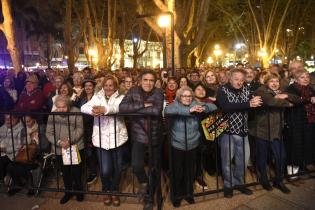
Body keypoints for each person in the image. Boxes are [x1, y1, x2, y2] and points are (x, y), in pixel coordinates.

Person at [119, 70, 164, 210]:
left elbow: (156, 111)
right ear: (140, 80)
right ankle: (144, 183)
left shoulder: (158, 92)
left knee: (154, 169)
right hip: (138, 135)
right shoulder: (133, 91)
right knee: (137, 165)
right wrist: (144, 105)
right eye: (146, 80)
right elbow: (122, 108)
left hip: (155, 135)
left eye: (151, 80)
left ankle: (150, 198)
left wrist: (135, 110)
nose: (148, 83)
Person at [165, 86, 217, 207]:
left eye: (189, 96)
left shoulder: (195, 103)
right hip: (178, 144)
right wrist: (189, 111)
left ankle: (188, 193)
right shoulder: (175, 105)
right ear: (179, 97)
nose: (187, 98)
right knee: (177, 171)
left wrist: (202, 107)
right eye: (184, 96)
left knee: (190, 171)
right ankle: (176, 195)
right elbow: (167, 111)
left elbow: (213, 107)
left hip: (193, 144)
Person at [81, 75, 128, 207]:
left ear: (115, 86)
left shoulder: (121, 97)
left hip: (117, 138)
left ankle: (114, 191)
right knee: (106, 169)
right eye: (106, 85)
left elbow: (119, 108)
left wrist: (105, 110)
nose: (108, 88)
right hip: (101, 139)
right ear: (103, 86)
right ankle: (106, 189)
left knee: (118, 168)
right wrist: (93, 111)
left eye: (111, 85)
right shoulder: (97, 96)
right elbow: (83, 107)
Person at [216, 69, 262, 198]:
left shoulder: (247, 90)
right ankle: (228, 185)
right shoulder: (222, 90)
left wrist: (256, 102)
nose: (239, 82)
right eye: (236, 79)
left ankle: (239, 183)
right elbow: (226, 106)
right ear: (230, 78)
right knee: (226, 161)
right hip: (228, 132)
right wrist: (248, 104)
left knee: (242, 161)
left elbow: (252, 107)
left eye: (242, 79)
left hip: (243, 131)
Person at [253, 73, 296, 193]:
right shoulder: (261, 91)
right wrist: (287, 103)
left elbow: (295, 98)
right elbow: (270, 102)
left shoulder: (281, 91)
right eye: (271, 81)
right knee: (263, 157)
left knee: (281, 156)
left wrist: (285, 95)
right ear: (266, 82)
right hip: (262, 131)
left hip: (277, 131)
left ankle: (278, 180)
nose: (274, 83)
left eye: (276, 81)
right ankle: (264, 180)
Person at [46, 95, 84, 204]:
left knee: (76, 171)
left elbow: (80, 129)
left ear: (68, 105)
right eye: (58, 107)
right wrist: (59, 142)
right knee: (65, 172)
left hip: (75, 146)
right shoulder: (52, 115)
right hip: (59, 148)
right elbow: (48, 133)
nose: (61, 109)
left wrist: (69, 141)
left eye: (63, 107)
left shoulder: (76, 111)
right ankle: (68, 192)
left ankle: (79, 191)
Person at [285, 70, 315, 176]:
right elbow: (295, 100)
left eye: (307, 76)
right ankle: (292, 171)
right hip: (295, 121)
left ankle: (303, 166)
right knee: (295, 146)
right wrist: (309, 99)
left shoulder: (310, 88)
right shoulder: (291, 88)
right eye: (302, 77)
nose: (306, 79)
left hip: (308, 121)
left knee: (307, 144)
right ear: (296, 79)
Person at [77, 78, 98, 185]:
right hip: (85, 128)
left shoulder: (98, 98)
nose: (88, 88)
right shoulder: (82, 99)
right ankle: (93, 172)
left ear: (93, 87)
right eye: (86, 86)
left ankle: (96, 172)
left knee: (94, 151)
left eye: (90, 85)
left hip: (95, 126)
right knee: (88, 152)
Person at [0, 114, 24, 187]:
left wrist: (5, 149)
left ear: (16, 119)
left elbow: (18, 146)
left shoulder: (21, 129)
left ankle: (4, 179)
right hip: (2, 151)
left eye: (9, 119)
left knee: (1, 161)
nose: (7, 121)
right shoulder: (2, 128)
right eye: (6, 119)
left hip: (13, 154)